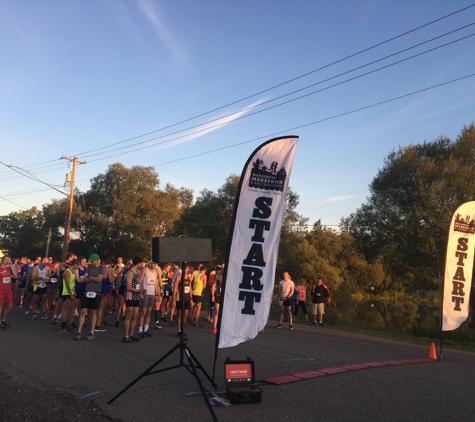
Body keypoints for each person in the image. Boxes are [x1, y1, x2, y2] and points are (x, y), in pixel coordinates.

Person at [75, 254, 105, 341]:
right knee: (83, 310)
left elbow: (99, 279)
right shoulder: (89, 267)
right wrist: (92, 278)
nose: (91, 262)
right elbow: (84, 278)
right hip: (87, 291)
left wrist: (90, 277)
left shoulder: (101, 268)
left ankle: (92, 331)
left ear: (97, 260)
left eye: (92, 261)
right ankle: (79, 331)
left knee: (93, 312)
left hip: (97, 292)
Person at [122, 257, 145, 343]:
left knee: (135, 315)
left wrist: (140, 293)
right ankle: (126, 336)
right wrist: (139, 291)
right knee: (129, 315)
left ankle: (131, 334)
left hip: (136, 295)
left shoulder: (138, 272)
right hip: (130, 295)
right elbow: (128, 287)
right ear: (138, 263)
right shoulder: (130, 273)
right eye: (141, 264)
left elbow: (138, 284)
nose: (141, 265)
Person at [59, 259, 79, 334]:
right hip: (67, 293)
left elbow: (72, 283)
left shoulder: (72, 271)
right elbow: (67, 284)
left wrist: (74, 292)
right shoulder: (67, 272)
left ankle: (65, 323)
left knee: (70, 309)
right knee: (66, 310)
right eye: (78, 265)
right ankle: (62, 326)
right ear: (75, 264)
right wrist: (70, 294)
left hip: (71, 292)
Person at [173, 266, 193, 339]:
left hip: (187, 298)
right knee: (179, 315)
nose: (187, 269)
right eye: (186, 268)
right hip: (180, 298)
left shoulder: (189, 278)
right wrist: (173, 300)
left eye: (188, 268)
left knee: (185, 314)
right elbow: (175, 288)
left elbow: (190, 288)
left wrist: (191, 299)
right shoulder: (179, 278)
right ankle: (178, 330)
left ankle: (182, 329)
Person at [0, 256, 18, 329]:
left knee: (10, 306)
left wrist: (11, 266)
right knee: (0, 307)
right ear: (2, 260)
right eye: (6, 259)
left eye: (8, 259)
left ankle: (3, 320)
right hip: (1, 290)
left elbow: (15, 276)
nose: (7, 261)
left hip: (8, 291)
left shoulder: (9, 268)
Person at [211, 265, 223, 335]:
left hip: (225, 296)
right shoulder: (217, 276)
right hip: (218, 295)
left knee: (223, 313)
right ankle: (215, 328)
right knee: (217, 311)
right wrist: (213, 295)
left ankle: (221, 327)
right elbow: (213, 286)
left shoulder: (229, 277)